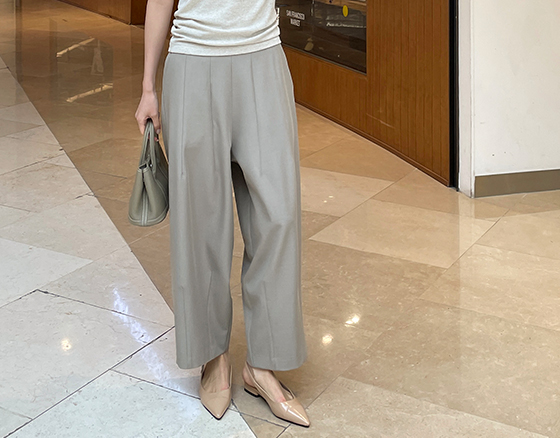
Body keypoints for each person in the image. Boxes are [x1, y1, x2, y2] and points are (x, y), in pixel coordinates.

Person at [134, 0, 309, 427]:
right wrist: (148, 87)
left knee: (278, 216)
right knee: (200, 224)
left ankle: (263, 365)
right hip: (193, 61)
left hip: (263, 56)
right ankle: (213, 358)